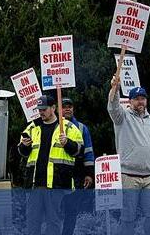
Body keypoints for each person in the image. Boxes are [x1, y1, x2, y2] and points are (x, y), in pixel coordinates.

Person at [107, 77, 150, 235]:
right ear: (130, 102)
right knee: (128, 218)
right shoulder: (122, 117)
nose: (140, 102)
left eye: (143, 98)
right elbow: (113, 107)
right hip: (129, 176)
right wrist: (115, 89)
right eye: (136, 99)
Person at [18, 95, 83, 235]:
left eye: (44, 109)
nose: (41, 112)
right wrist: (24, 146)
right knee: (32, 223)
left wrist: (68, 143)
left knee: (53, 224)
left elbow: (79, 150)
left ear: (53, 108)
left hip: (56, 185)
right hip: (35, 185)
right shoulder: (32, 127)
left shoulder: (69, 128)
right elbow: (22, 152)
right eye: (39, 109)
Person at [61, 97, 95, 235]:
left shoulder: (82, 128)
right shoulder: (54, 126)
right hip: (56, 175)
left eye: (70, 106)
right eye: (64, 106)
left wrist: (89, 174)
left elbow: (88, 152)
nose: (68, 108)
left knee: (71, 210)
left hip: (76, 174)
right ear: (58, 109)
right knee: (55, 211)